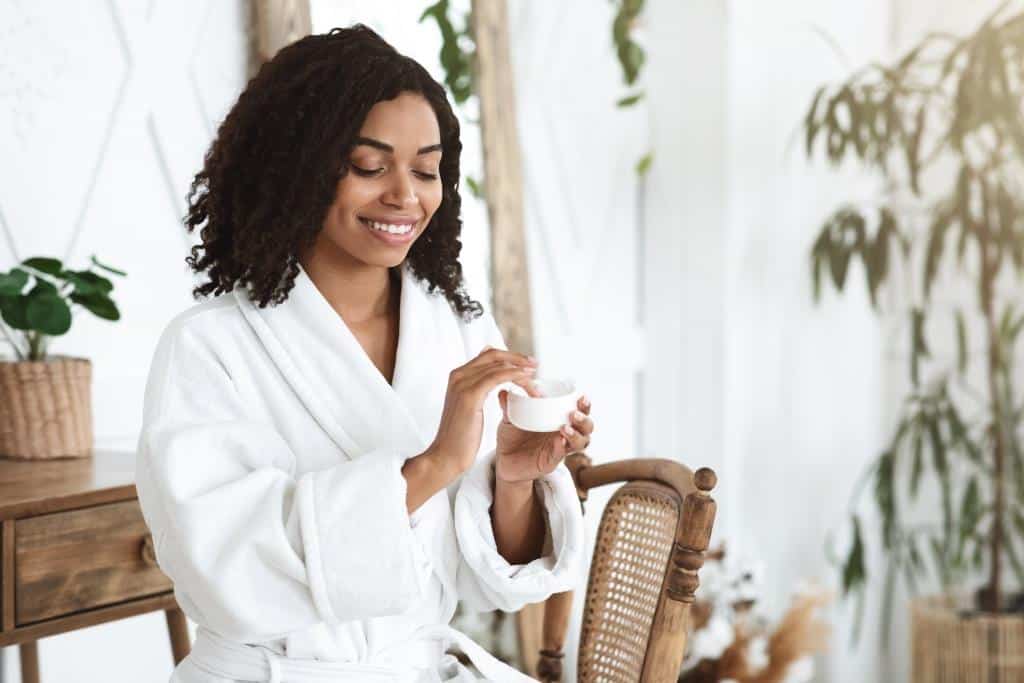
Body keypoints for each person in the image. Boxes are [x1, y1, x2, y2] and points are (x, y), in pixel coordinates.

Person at [135, 24, 593, 683]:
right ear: (299, 166)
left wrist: (515, 478)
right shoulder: (209, 347)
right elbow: (224, 568)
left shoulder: (458, 328)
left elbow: (496, 580)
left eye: (427, 169)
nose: (405, 195)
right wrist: (433, 464)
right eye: (370, 167)